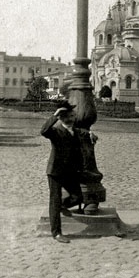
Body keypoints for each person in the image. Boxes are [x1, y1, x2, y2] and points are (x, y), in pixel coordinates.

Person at [41, 103, 95, 244]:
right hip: (55, 172)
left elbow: (83, 132)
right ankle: (57, 233)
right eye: (68, 116)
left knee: (78, 196)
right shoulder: (56, 131)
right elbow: (44, 131)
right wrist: (55, 115)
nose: (71, 118)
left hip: (70, 172)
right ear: (62, 118)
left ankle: (62, 206)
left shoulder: (75, 131)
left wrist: (90, 133)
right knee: (54, 200)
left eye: (72, 116)